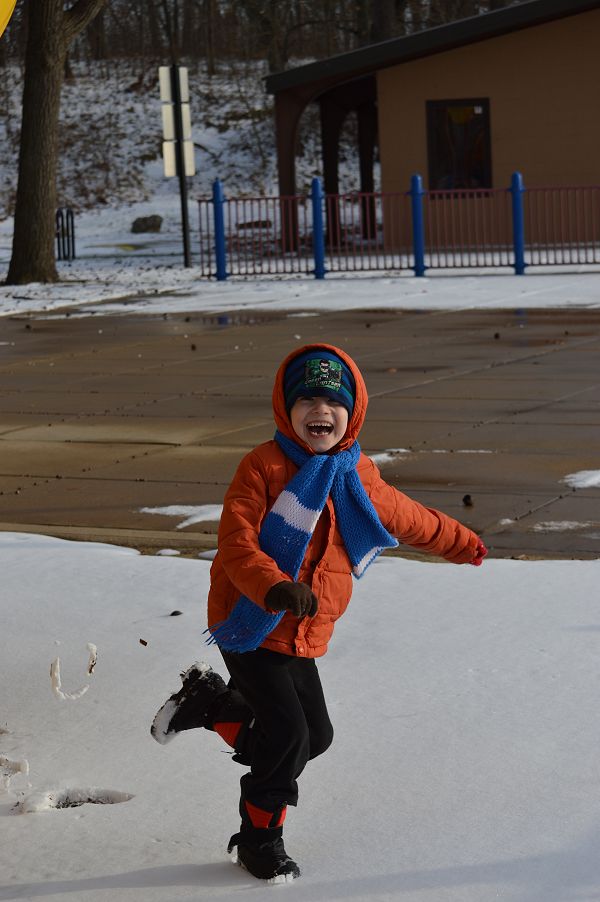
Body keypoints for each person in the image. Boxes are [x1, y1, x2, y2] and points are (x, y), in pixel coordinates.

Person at [151, 343, 487, 883]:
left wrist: (462, 542)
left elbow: (411, 518)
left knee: (315, 737)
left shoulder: (358, 475)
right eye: (306, 400)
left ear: (352, 412)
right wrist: (275, 587)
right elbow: (236, 543)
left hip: (302, 632)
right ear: (287, 410)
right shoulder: (263, 466)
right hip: (249, 622)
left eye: (333, 402)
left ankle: (212, 706)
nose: (320, 411)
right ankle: (259, 841)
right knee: (288, 739)